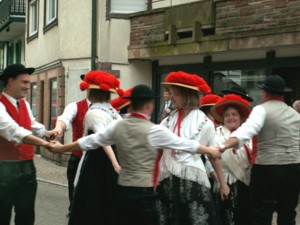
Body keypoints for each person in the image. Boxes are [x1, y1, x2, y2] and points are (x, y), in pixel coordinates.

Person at [47, 84, 222, 225]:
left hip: (122, 192)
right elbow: (184, 144)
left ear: (130, 105)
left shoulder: (119, 126)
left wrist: (61, 148)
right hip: (144, 194)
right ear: (148, 106)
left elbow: (91, 141)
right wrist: (209, 150)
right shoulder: (154, 130)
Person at [218, 75, 300, 225]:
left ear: (265, 93)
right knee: (288, 213)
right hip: (294, 168)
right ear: (282, 94)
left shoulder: (261, 109)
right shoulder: (295, 114)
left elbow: (247, 130)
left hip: (266, 167)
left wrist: (223, 146)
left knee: (262, 214)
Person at [158, 71, 229, 225]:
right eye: (171, 93)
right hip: (168, 179)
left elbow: (214, 155)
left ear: (186, 95)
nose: (171, 97)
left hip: (192, 181)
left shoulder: (205, 123)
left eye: (175, 94)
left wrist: (222, 183)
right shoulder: (167, 121)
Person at [67, 70, 124, 225]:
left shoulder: (94, 112)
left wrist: (114, 163)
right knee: (108, 203)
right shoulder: (113, 112)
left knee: (92, 203)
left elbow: (102, 139)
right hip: (115, 157)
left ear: (92, 92)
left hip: (97, 162)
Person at [0, 64, 54, 225]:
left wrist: (47, 133)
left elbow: (30, 124)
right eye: (24, 82)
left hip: (27, 167)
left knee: (26, 213)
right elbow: (14, 131)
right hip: (3, 169)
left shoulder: (23, 103)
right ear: (10, 82)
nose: (27, 87)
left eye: (28, 83)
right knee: (2, 214)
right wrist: (44, 144)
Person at [210, 94, 252, 225]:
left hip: (247, 184)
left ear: (241, 118)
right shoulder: (215, 134)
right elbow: (210, 159)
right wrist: (221, 183)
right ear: (223, 118)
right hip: (224, 183)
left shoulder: (249, 135)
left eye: (234, 114)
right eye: (227, 115)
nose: (231, 118)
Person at [51, 74, 90, 216]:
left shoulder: (110, 109)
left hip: (98, 158)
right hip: (78, 155)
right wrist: (58, 129)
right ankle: (73, 210)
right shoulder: (75, 106)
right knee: (73, 185)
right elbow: (64, 118)